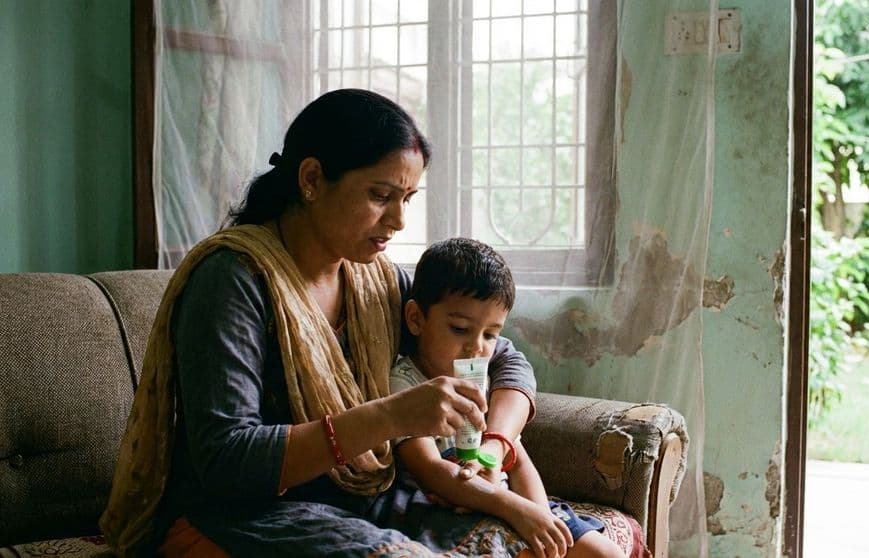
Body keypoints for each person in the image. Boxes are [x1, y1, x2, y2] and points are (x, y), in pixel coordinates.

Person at [99, 89, 539, 557]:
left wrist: (496, 443)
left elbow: (504, 358)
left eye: (407, 199)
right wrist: (391, 416)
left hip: (358, 504)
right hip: (242, 515)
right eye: (381, 195)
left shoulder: (377, 281)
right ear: (311, 179)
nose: (399, 220)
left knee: (540, 542)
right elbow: (227, 460)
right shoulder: (233, 280)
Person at [389, 237, 624, 558]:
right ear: (416, 319)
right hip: (446, 512)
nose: (476, 347)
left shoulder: (481, 381)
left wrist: (540, 515)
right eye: (459, 329)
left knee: (606, 554)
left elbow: (516, 456)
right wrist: (515, 510)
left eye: (490, 334)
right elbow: (430, 470)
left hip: (512, 502)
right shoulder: (404, 385)